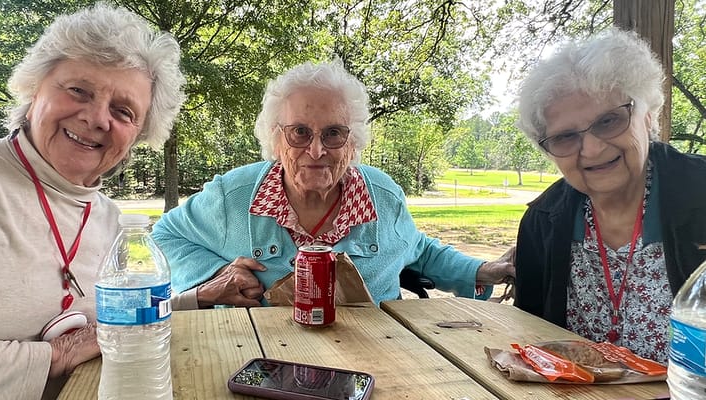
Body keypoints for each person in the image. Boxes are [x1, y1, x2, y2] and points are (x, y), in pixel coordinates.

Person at [0, 3, 185, 399]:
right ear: (34, 88)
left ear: (139, 135)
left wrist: (199, 298)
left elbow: (130, 319)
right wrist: (51, 357)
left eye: (123, 111)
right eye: (79, 90)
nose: (97, 118)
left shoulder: (112, 221)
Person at [152, 59, 514, 309]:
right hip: (260, 358)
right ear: (276, 140)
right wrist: (215, 274)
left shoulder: (383, 197)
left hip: (374, 357)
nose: (316, 149)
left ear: (353, 141)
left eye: (334, 133)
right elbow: (164, 236)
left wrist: (483, 271)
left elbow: (415, 248)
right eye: (299, 132)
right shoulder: (234, 196)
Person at [513, 28, 706, 363]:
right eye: (565, 136)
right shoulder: (541, 222)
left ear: (648, 117)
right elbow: (531, 338)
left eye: (608, 120)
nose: (591, 148)